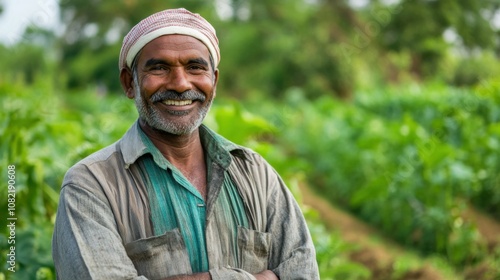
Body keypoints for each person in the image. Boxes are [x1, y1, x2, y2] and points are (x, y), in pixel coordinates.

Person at [52, 8, 319, 280]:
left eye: (195, 67)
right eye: (159, 67)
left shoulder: (255, 174)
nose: (180, 84)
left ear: (213, 81)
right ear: (128, 83)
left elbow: (303, 272)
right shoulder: (91, 185)